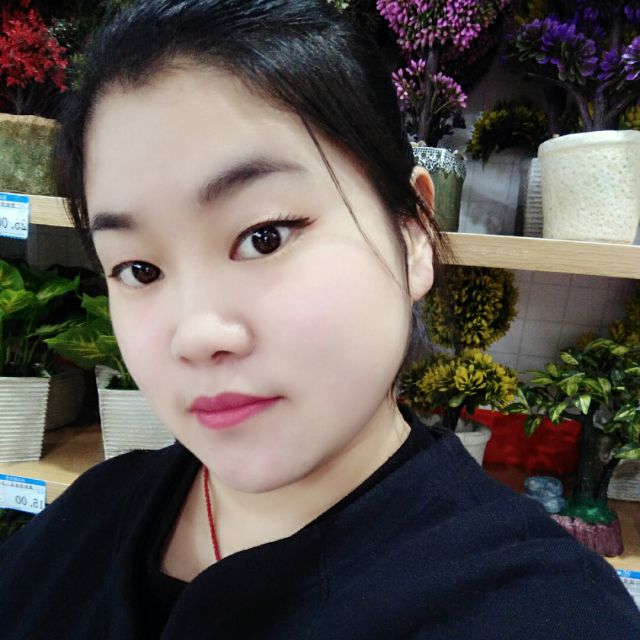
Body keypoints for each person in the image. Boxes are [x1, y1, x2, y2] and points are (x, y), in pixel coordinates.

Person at [1, 1, 638, 638]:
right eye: (139, 270)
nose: (195, 335)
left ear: (413, 234)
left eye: (265, 236)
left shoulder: (540, 611)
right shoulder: (86, 518)